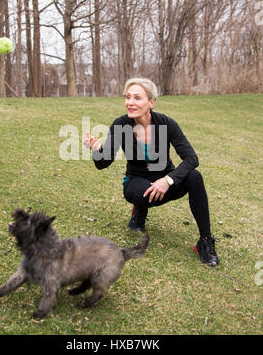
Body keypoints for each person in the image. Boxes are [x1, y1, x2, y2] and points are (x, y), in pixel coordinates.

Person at [83, 78, 219, 266]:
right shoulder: (121, 124)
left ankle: (205, 242)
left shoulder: (167, 123)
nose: (130, 102)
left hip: (165, 179)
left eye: (137, 98)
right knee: (143, 192)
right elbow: (103, 163)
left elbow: (192, 159)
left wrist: (169, 180)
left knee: (195, 176)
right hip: (136, 181)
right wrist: (97, 149)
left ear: (151, 102)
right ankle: (139, 211)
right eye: (128, 97)